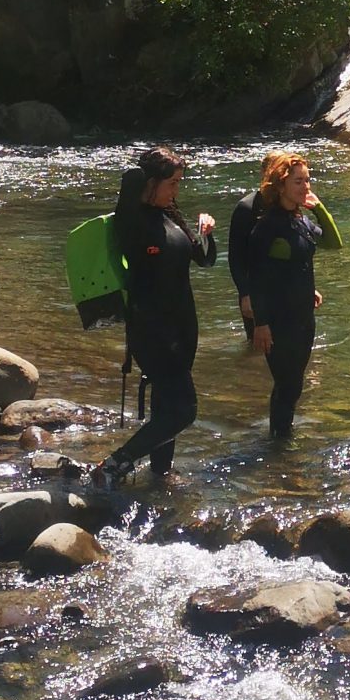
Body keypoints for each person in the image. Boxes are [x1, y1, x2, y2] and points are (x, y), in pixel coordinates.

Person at [104, 145, 217, 485]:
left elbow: (205, 259)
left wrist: (206, 234)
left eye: (179, 182)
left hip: (181, 328)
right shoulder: (132, 219)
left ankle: (160, 474)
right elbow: (131, 179)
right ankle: (114, 464)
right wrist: (145, 176)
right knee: (184, 411)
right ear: (149, 184)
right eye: (171, 183)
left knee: (166, 408)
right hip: (153, 330)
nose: (176, 190)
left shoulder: (169, 215)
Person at [246, 150, 341, 438]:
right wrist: (261, 324)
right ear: (281, 185)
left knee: (295, 384)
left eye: (308, 181)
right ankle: (279, 443)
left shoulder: (300, 220)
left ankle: (280, 439)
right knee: (287, 385)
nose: (306, 187)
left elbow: (333, 243)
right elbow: (257, 276)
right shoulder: (267, 226)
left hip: (303, 316)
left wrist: (319, 208)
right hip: (277, 320)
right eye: (299, 182)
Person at [227, 181, 262, 348]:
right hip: (254, 291)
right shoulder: (246, 208)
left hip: (283, 291)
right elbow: (235, 256)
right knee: (257, 346)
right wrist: (245, 294)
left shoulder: (286, 205)